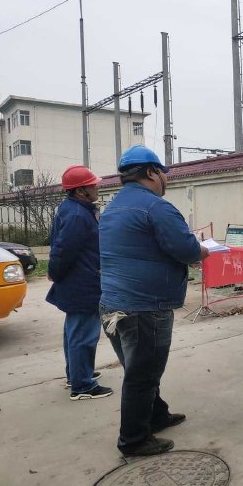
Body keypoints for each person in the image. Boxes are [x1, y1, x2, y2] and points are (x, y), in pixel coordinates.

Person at [99, 145, 209, 456]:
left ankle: (157, 415)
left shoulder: (112, 208)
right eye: (163, 172)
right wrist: (202, 250)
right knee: (143, 375)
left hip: (112, 305)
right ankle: (133, 440)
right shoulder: (156, 207)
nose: (165, 179)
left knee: (139, 369)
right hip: (144, 308)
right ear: (151, 172)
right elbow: (186, 249)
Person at [46, 165, 113, 401]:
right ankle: (82, 386)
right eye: (92, 185)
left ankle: (76, 374)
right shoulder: (77, 215)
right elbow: (63, 250)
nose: (97, 187)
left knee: (74, 332)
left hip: (78, 280)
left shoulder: (72, 208)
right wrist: (54, 272)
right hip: (82, 283)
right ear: (80, 190)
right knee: (83, 335)